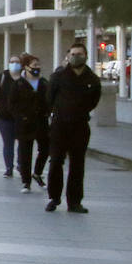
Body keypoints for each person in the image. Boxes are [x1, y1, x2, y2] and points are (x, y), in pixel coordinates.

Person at [46, 42, 103, 213]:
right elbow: (49, 98)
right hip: (59, 126)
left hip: (80, 127)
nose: (75, 57)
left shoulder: (92, 79)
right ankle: (54, 198)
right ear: (68, 56)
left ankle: (75, 202)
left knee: (78, 165)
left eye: (79, 54)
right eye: (73, 54)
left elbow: (94, 101)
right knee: (56, 161)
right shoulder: (58, 76)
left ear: (85, 56)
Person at [12, 53, 50, 194]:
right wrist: (21, 117)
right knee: (25, 153)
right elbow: (13, 104)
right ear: (26, 67)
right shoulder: (19, 84)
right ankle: (26, 181)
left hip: (41, 122)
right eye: (34, 66)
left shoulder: (44, 83)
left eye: (38, 65)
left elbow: (50, 101)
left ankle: (38, 173)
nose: (37, 68)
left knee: (45, 149)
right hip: (25, 124)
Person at [0, 54, 22, 177]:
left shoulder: (24, 77)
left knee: (22, 142)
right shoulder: (2, 77)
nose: (14, 64)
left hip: (22, 117)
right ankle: (9, 167)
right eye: (12, 62)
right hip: (5, 117)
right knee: (8, 143)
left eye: (17, 61)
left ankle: (21, 165)